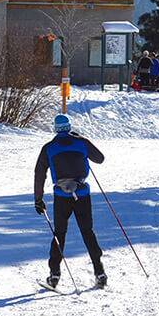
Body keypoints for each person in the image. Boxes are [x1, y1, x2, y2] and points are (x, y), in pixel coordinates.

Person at [34, 114, 108, 289]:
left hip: (61, 196)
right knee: (88, 232)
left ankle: (54, 276)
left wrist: (38, 199)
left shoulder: (49, 148)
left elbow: (39, 174)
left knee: (59, 233)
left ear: (55, 128)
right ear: (69, 126)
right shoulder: (81, 142)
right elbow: (100, 158)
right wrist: (81, 141)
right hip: (82, 194)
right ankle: (100, 272)